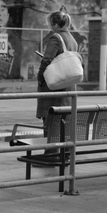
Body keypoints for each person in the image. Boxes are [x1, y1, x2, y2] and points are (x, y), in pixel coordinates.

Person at [23, 10, 78, 164]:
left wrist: (40, 76)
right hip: (68, 87)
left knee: (51, 121)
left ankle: (50, 155)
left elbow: (47, 59)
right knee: (64, 122)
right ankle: (65, 153)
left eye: (50, 23)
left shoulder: (55, 37)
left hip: (54, 87)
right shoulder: (72, 39)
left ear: (54, 24)